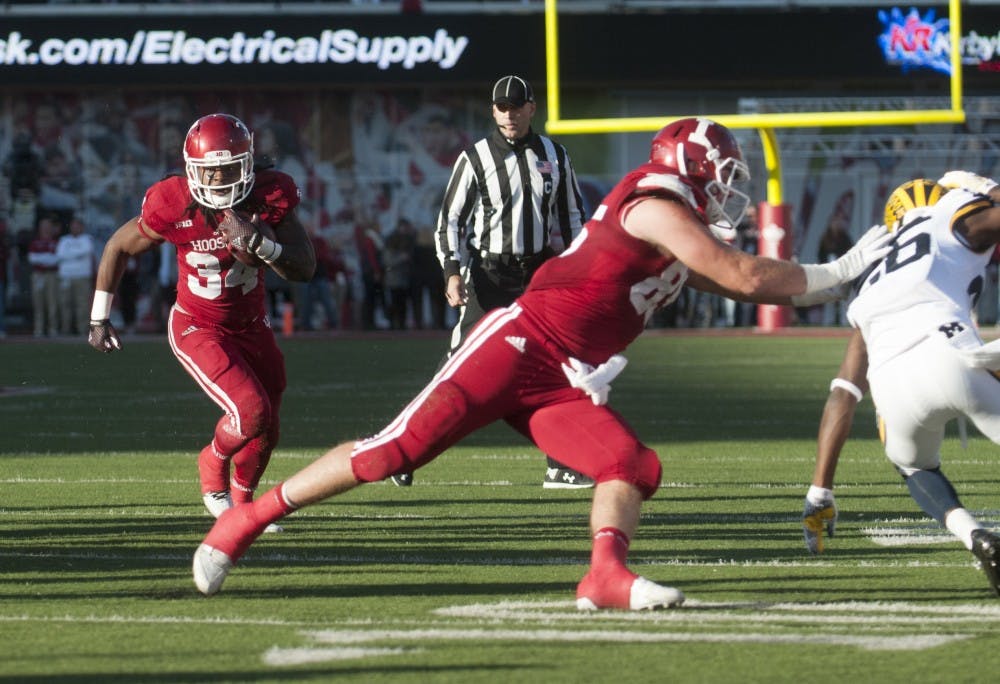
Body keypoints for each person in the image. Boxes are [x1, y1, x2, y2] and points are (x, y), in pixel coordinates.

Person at [192, 117, 891, 608]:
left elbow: (729, 273)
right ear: (689, 171)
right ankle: (242, 522)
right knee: (391, 453)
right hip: (518, 345)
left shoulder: (678, 225)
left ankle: (604, 578)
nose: (727, 190)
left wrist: (832, 281)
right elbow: (741, 276)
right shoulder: (653, 203)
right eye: (721, 176)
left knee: (632, 465)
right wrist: (846, 267)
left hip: (560, 376)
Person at [87, 113, 316, 527]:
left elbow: (304, 267)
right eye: (210, 171)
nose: (220, 181)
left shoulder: (269, 193)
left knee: (269, 424)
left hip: (251, 325)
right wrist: (98, 317)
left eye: (230, 169)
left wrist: (262, 244)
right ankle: (212, 468)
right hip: (198, 325)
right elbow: (118, 246)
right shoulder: (172, 201)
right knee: (250, 411)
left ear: (248, 164)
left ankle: (245, 509)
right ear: (193, 170)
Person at [801, 174, 1000, 597]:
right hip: (951, 352)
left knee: (914, 466)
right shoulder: (949, 213)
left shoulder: (871, 270)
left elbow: (844, 392)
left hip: (893, 387)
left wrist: (820, 490)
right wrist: (985, 186)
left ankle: (975, 536)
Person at [396, 75, 591, 489]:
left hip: (538, 274)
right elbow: (449, 220)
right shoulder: (475, 157)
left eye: (517, 105)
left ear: (531, 108)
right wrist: (451, 271)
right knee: (456, 369)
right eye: (501, 106)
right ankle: (404, 450)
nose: (509, 113)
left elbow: (572, 217)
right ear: (493, 110)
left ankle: (560, 462)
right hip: (488, 274)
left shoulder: (555, 155)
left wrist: (578, 270)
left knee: (557, 364)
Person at [56, 217, 96, 336]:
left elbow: (87, 250)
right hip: (66, 277)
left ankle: (82, 330)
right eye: (73, 225)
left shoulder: (87, 239)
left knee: (82, 304)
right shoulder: (64, 240)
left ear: (82, 227)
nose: (75, 228)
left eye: (77, 225)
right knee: (65, 304)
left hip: (82, 276)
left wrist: (69, 255)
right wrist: (77, 255)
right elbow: (60, 255)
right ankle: (65, 330)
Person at [27, 216, 60, 337]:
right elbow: (31, 258)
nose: (45, 229)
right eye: (43, 226)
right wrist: (47, 258)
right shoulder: (35, 242)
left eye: (48, 226)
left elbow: (56, 259)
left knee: (52, 303)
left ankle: (53, 329)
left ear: (51, 228)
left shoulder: (56, 242)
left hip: (52, 274)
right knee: (38, 303)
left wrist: (42, 258)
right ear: (40, 228)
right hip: (38, 275)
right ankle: (39, 329)